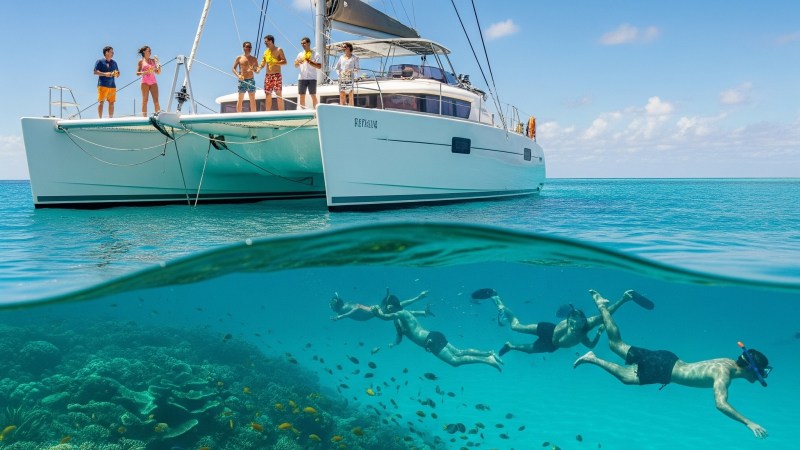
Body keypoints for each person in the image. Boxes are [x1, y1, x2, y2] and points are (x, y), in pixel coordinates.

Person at [573, 289, 770, 438]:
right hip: (665, 370)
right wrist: (748, 423)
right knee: (626, 377)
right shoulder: (723, 374)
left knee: (616, 344)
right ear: (752, 369)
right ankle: (593, 358)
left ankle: (601, 305)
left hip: (669, 358)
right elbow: (720, 404)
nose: (762, 376)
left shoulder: (727, 362)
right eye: (761, 372)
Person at [475, 288, 654, 356]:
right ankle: (498, 302)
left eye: (578, 321)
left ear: (583, 320)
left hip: (552, 346)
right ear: (568, 320)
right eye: (571, 321)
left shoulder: (586, 329)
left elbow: (604, 316)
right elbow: (604, 314)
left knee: (528, 351)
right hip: (548, 330)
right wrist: (621, 301)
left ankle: (510, 345)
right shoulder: (573, 325)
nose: (574, 325)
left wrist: (622, 300)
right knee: (515, 326)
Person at [371, 294, 503, 371]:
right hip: (433, 335)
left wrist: (376, 312)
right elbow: (400, 336)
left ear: (390, 307)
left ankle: (488, 360)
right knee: (459, 352)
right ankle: (489, 353)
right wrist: (394, 344)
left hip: (430, 340)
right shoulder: (399, 318)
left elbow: (385, 317)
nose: (385, 310)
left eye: (385, 308)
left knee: (454, 362)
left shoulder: (401, 313)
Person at [330, 289, 431, 321]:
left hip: (374, 312)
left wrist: (341, 316)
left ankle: (419, 299)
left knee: (398, 313)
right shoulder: (345, 306)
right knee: (399, 309)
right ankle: (422, 310)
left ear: (337, 304)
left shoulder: (344, 308)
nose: (331, 307)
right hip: (374, 311)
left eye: (332, 305)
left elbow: (358, 307)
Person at [257, 35, 287, 111]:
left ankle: (282, 113)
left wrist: (275, 63)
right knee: (268, 95)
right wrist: (258, 69)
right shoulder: (265, 52)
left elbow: (284, 62)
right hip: (268, 75)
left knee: (278, 94)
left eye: (266, 41)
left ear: (271, 41)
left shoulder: (279, 49)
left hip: (277, 74)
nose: (265, 43)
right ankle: (267, 113)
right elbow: (262, 64)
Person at [294, 37, 322, 109]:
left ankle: (316, 111)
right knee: (301, 96)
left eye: (304, 43)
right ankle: (303, 112)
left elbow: (319, 66)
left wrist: (309, 61)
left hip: (312, 77)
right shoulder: (300, 54)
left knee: (313, 95)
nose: (303, 45)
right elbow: (295, 66)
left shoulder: (316, 54)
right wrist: (298, 62)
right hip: (302, 77)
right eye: (301, 44)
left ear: (308, 43)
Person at [231, 41, 259, 112]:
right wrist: (238, 75)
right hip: (242, 80)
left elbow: (257, 71)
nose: (249, 48)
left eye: (250, 47)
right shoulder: (239, 57)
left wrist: (254, 69)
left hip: (251, 80)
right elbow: (233, 68)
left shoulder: (254, 59)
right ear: (244, 48)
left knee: (252, 99)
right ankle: (238, 116)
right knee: (240, 99)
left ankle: (254, 116)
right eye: (247, 47)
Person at [93, 46, 120, 118]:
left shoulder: (114, 63)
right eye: (111, 52)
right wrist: (105, 74)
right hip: (102, 85)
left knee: (112, 103)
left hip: (112, 85)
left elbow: (118, 73)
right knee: (101, 102)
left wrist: (117, 74)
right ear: (106, 52)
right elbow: (95, 72)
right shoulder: (99, 61)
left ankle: (110, 119)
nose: (113, 53)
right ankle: (100, 119)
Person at [136, 45, 161, 117]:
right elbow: (137, 73)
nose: (150, 52)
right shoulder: (140, 62)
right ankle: (144, 118)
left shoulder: (153, 60)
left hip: (153, 82)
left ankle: (158, 116)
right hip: (144, 82)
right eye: (148, 51)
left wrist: (158, 64)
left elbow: (158, 72)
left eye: (150, 51)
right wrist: (144, 72)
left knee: (156, 100)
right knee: (145, 100)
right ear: (144, 52)